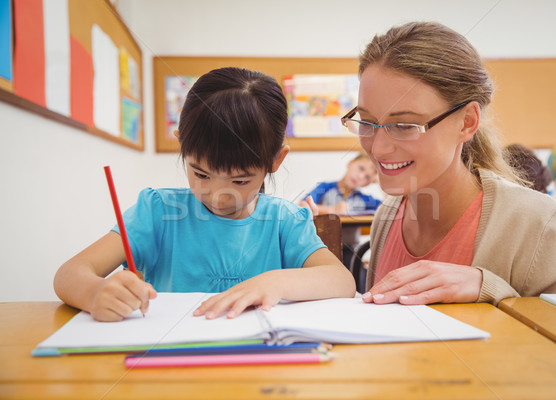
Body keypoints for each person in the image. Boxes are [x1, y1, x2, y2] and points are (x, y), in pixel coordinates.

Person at [54, 67, 356, 322]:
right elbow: (69, 274)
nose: (216, 196)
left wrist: (273, 281)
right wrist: (96, 294)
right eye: (201, 174)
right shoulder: (158, 212)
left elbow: (342, 281)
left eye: (239, 181)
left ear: (275, 161)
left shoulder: (284, 221)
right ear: (181, 145)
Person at [339, 22, 556, 307]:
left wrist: (488, 288)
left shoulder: (541, 225)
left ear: (467, 122)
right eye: (367, 121)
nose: (379, 147)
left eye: (405, 125)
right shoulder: (388, 216)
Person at [299, 152, 381, 268]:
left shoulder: (363, 199)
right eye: (360, 168)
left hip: (350, 251)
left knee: (357, 270)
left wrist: (382, 181)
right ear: (350, 163)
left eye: (367, 177)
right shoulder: (325, 188)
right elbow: (302, 205)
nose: (360, 177)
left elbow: (388, 206)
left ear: (369, 183)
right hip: (321, 248)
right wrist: (333, 209)